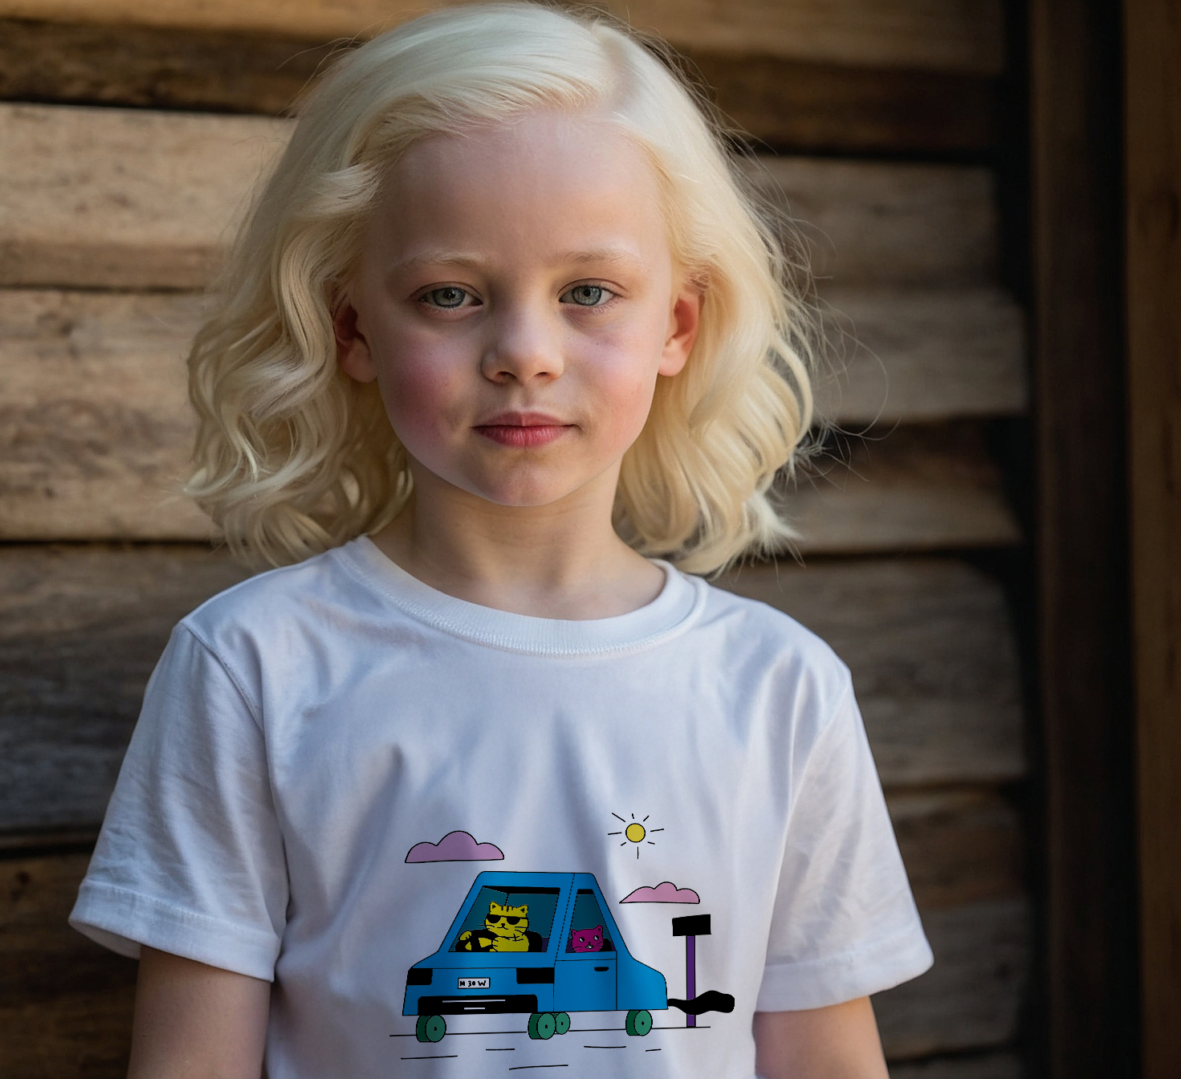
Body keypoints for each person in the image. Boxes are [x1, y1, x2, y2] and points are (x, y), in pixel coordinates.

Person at [69, 5, 932, 1077]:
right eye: (451, 294)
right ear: (351, 329)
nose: (524, 352)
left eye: (587, 292)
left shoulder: (780, 687)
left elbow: (825, 1055)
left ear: (679, 325)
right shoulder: (251, 665)